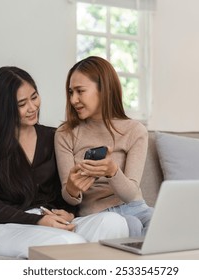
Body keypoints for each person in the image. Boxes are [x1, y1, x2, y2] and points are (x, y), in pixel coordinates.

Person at [0, 66, 129, 259]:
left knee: (114, 223)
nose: (32, 107)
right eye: (22, 103)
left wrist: (69, 213)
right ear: (4, 108)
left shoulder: (54, 136)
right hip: (8, 228)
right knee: (69, 243)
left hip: (53, 221)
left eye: (34, 97)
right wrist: (39, 220)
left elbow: (64, 192)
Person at [55, 56, 154, 237]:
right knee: (130, 226)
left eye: (80, 91)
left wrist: (112, 172)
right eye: (70, 92)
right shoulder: (65, 133)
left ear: (104, 90)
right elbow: (69, 198)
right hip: (97, 214)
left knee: (168, 223)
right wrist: (72, 187)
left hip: (135, 206)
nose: (73, 100)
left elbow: (131, 194)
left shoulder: (135, 131)